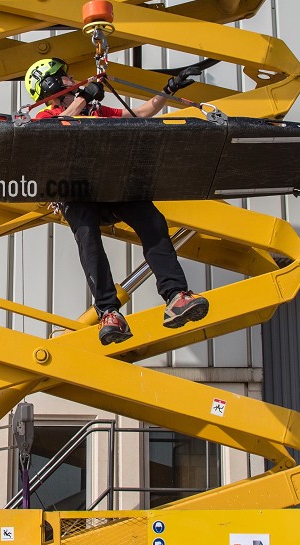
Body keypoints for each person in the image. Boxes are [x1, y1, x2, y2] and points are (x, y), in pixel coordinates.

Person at [25, 57, 210, 345]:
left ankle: (176, 295)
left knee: (152, 221)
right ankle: (108, 312)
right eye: (66, 76)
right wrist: (84, 97)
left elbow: (138, 114)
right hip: (77, 195)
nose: (74, 78)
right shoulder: (44, 119)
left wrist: (169, 90)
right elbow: (61, 127)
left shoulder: (96, 110)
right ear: (51, 84)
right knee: (87, 238)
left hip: (111, 186)